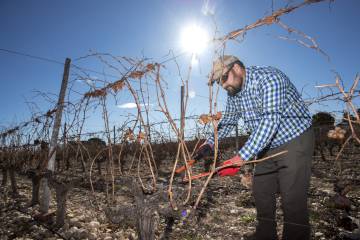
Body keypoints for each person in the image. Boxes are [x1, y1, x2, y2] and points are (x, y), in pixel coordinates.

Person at [194, 55, 314, 240]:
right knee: (261, 192)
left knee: (292, 199)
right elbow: (229, 120)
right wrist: (210, 143)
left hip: (294, 140)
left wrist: (241, 157)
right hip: (266, 145)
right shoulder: (234, 92)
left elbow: (270, 120)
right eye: (219, 82)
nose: (223, 85)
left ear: (237, 68)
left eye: (224, 78)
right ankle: (266, 234)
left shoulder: (269, 78)